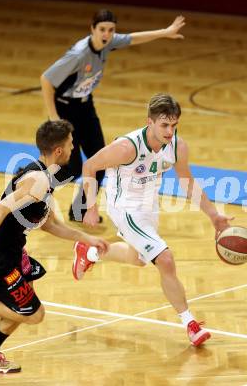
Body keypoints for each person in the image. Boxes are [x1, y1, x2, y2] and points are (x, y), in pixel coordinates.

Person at [71, 93, 233, 346]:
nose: (170, 131)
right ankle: (189, 323)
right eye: (164, 125)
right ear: (150, 122)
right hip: (123, 206)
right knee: (165, 259)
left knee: (138, 259)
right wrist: (90, 207)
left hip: (149, 206)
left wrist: (214, 215)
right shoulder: (127, 147)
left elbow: (188, 183)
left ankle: (90, 252)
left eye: (174, 125)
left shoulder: (177, 146)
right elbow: (89, 166)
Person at [0, 120, 108, 373]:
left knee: (22, 304)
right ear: (59, 151)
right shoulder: (37, 181)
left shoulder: (45, 180)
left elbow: (50, 226)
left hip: (14, 253)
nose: (72, 148)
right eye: (70, 144)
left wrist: (87, 239)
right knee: (33, 314)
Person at [40, 10, 186, 222]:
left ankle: (80, 212)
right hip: (65, 110)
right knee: (70, 167)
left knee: (99, 162)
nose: (106, 34)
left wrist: (165, 32)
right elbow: (46, 80)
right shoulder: (79, 55)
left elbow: (134, 38)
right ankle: (37, 194)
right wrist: (54, 118)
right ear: (92, 30)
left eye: (110, 30)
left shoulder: (108, 42)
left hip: (85, 107)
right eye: (102, 30)